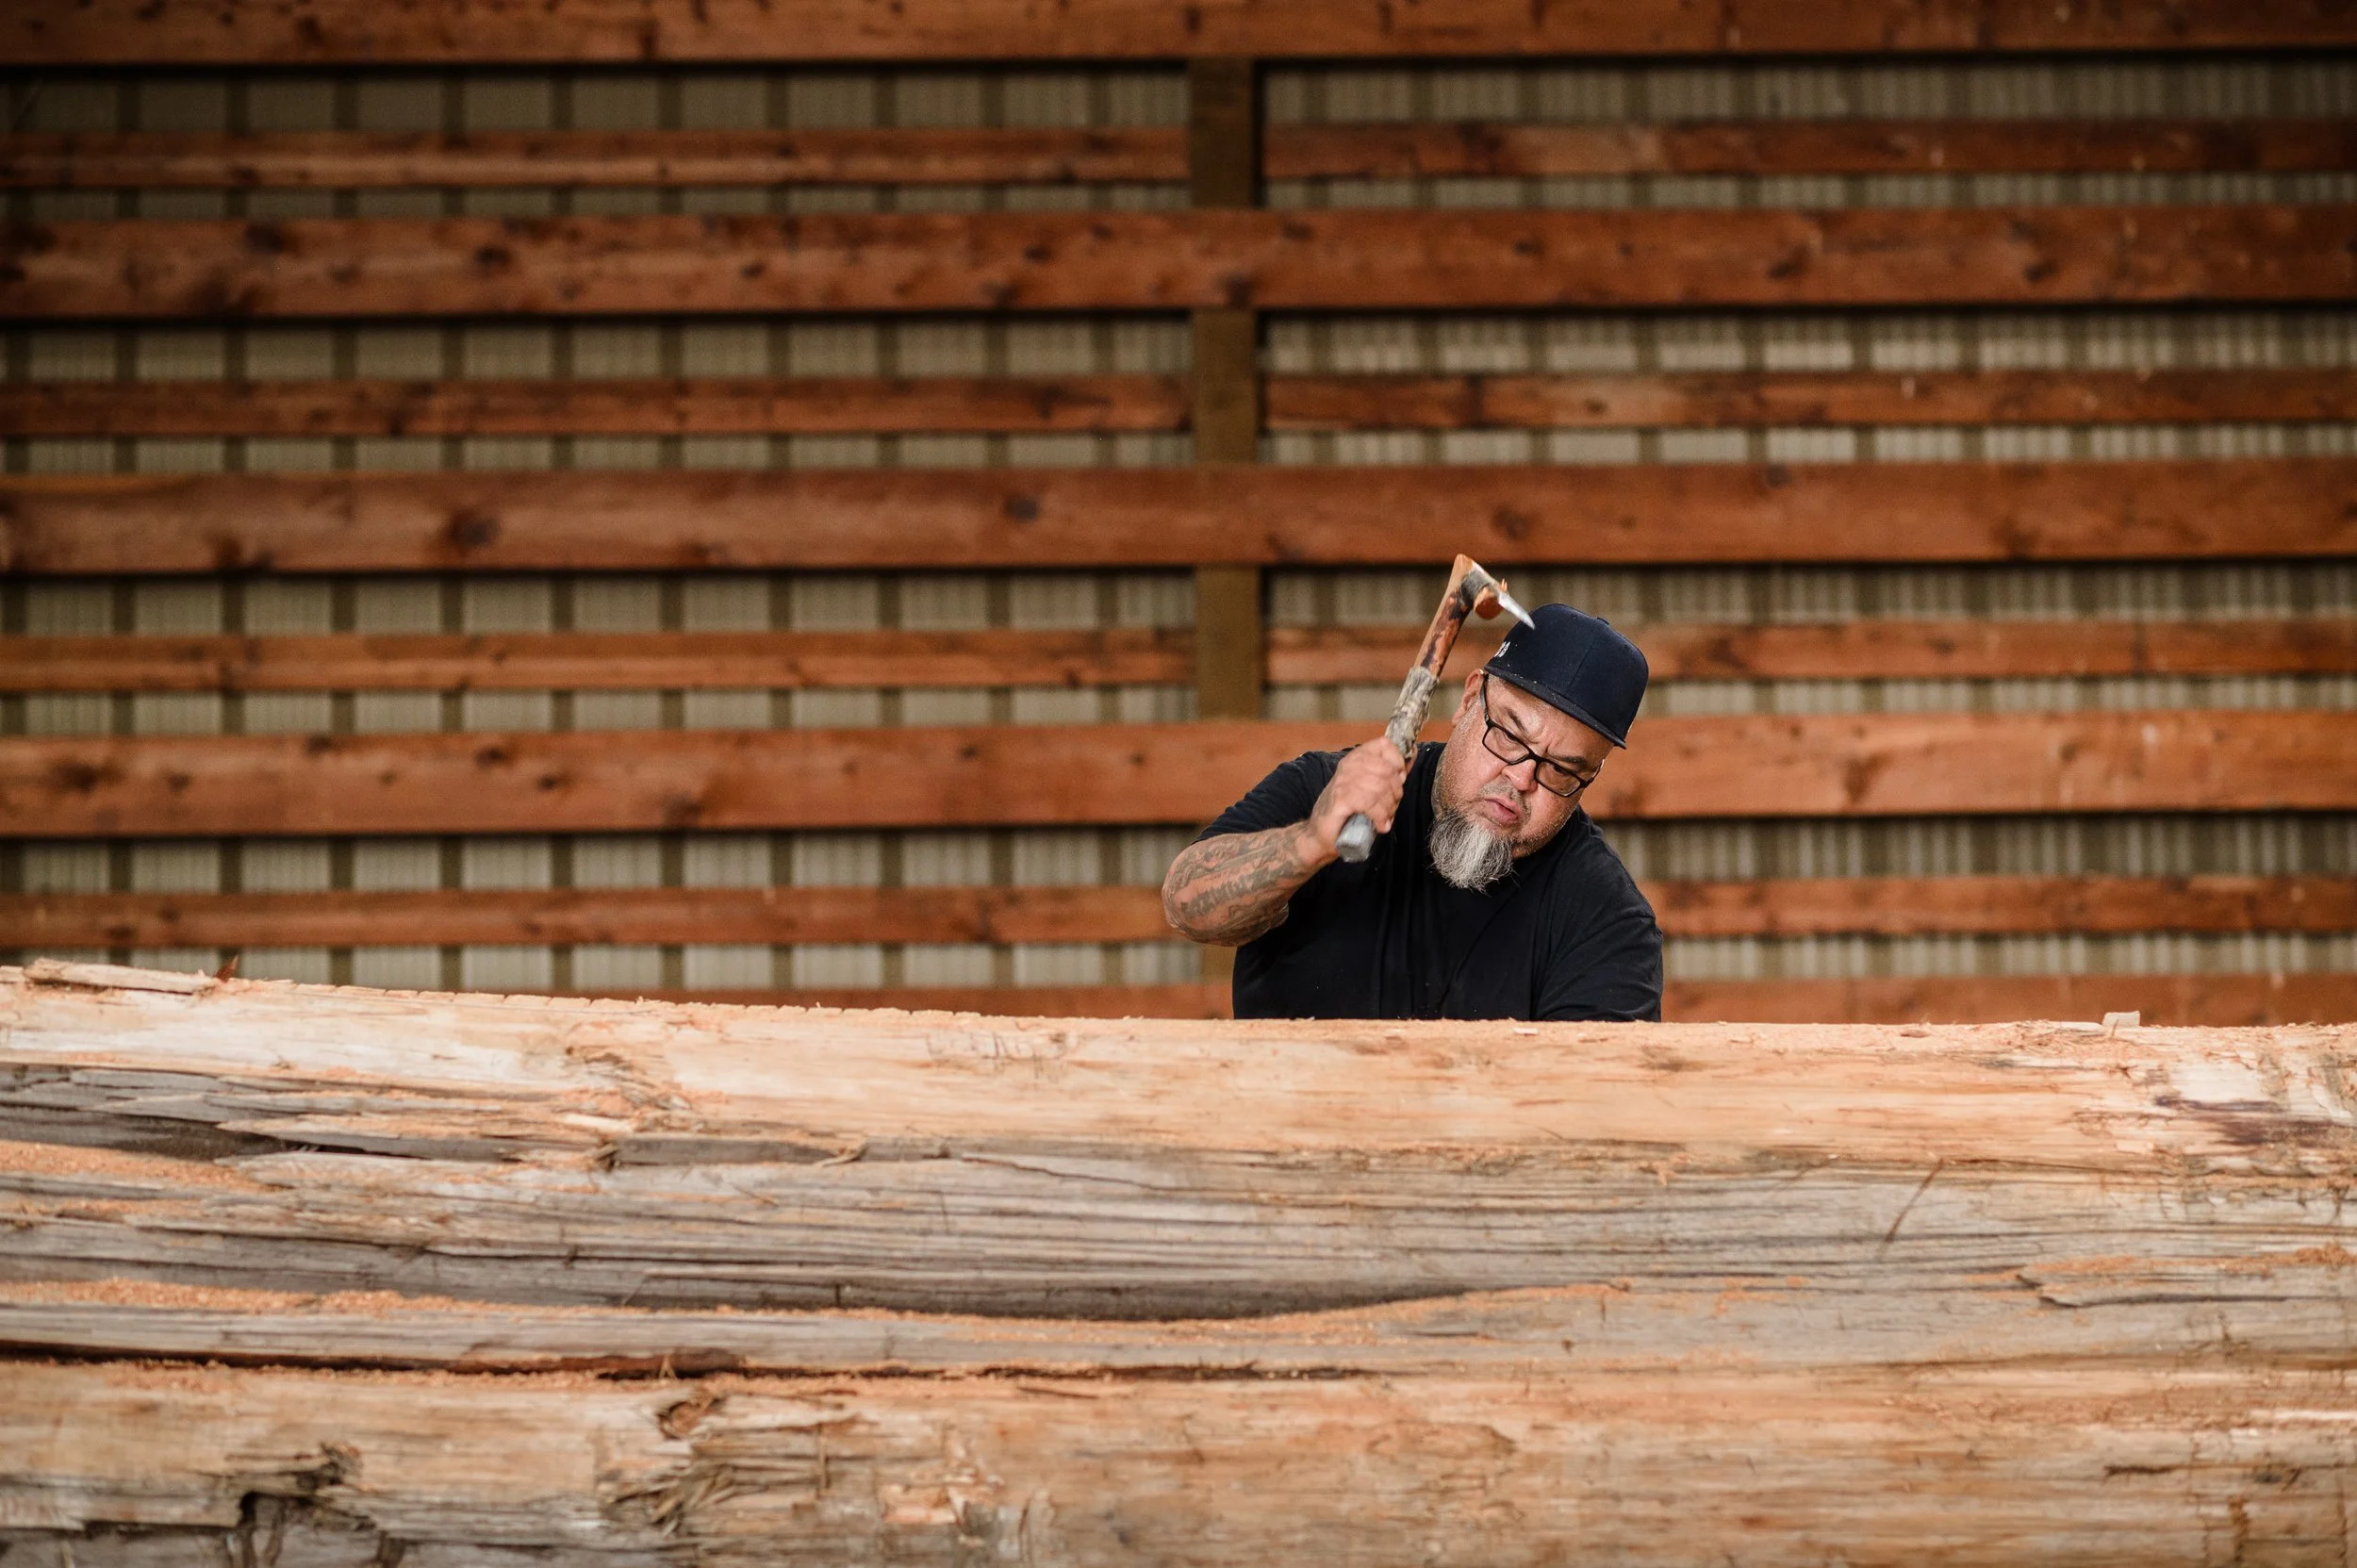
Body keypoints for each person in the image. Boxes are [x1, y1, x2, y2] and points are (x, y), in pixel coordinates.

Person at [1162, 603, 1660, 1021]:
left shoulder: (1607, 919)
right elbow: (1186, 908)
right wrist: (1310, 843)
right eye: (1509, 735)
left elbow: (1588, 1095)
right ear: (1470, 699)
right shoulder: (1326, 790)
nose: (1521, 778)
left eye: (1562, 769)